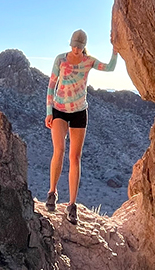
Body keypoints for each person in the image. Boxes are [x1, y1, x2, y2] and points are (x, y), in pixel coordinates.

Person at [44, 29, 117, 224]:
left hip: (79, 112)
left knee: (75, 157)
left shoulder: (89, 61)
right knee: (59, 150)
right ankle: (52, 192)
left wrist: (116, 50)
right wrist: (49, 112)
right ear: (70, 44)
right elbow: (51, 85)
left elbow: (109, 67)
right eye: (73, 45)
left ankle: (72, 205)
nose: (76, 49)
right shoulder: (60, 60)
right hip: (59, 109)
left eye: (79, 46)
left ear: (84, 46)